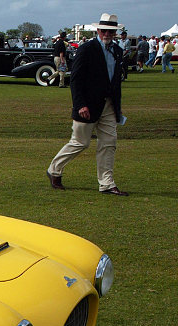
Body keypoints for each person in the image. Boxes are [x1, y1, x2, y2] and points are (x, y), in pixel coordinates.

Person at [46, 13, 128, 196]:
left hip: (109, 105)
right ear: (98, 31)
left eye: (111, 31)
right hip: (88, 105)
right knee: (80, 143)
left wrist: (118, 107)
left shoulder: (117, 51)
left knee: (109, 143)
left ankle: (106, 184)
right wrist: (80, 104)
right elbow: (75, 80)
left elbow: (115, 82)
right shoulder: (87, 49)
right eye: (104, 30)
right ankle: (54, 170)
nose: (107, 34)